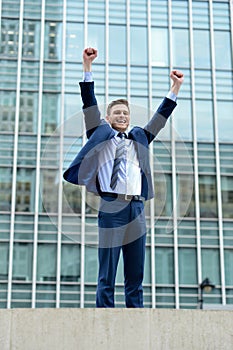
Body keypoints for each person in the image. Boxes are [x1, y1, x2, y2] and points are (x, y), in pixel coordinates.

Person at [63, 47, 184, 308]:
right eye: (116, 113)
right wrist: (87, 67)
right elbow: (89, 103)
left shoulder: (139, 136)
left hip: (137, 207)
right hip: (111, 206)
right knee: (108, 270)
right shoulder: (100, 133)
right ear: (108, 118)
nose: (122, 116)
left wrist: (174, 88)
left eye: (125, 114)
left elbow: (160, 119)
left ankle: (136, 316)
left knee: (135, 269)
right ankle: (105, 315)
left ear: (129, 119)